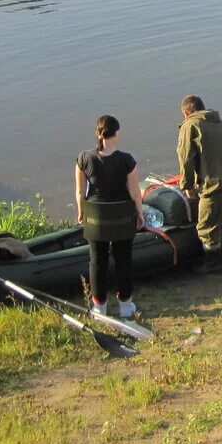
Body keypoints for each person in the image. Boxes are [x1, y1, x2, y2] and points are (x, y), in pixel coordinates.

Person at [75, 115, 144, 320]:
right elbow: (134, 193)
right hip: (122, 217)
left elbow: (80, 192)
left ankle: (99, 308)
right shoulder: (126, 160)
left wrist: (81, 211)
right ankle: (125, 306)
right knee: (124, 260)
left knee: (97, 261)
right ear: (117, 133)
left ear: (97, 133)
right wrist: (139, 213)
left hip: (96, 217)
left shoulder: (84, 158)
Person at [177, 95, 222, 274]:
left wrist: (187, 185)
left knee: (207, 226)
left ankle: (212, 264)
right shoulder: (221, 124)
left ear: (186, 112)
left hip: (218, 182)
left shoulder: (190, 125)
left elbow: (186, 158)